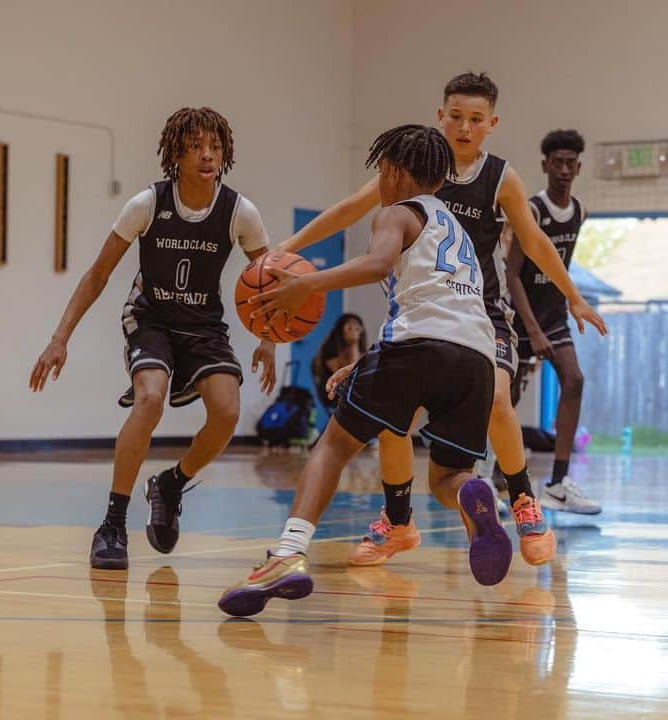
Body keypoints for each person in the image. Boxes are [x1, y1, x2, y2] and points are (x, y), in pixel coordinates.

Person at [277, 72, 607, 569]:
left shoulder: (501, 177)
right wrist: (285, 249)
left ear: (491, 124)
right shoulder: (412, 169)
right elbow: (347, 210)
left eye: (475, 119)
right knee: (394, 424)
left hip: (485, 317)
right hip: (419, 319)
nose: (465, 127)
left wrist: (573, 296)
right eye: (456, 117)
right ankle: (398, 520)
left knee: (498, 398)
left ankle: (523, 500)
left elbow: (535, 243)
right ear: (440, 116)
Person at [218, 124, 510, 617]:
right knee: (447, 478)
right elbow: (441, 311)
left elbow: (378, 267)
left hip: (419, 346)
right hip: (478, 359)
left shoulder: (395, 213)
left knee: (332, 446)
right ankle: (473, 495)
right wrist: (364, 364)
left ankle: (287, 555)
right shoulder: (455, 229)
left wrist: (306, 287)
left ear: (393, 171)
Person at [29, 107, 277, 569]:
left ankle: (171, 484)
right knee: (150, 399)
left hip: (203, 325)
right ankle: (112, 525)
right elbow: (98, 273)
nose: (207, 155)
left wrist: (269, 339)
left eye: (215, 147)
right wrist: (59, 338)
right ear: (175, 154)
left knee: (226, 411)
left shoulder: (240, 211)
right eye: (196, 147)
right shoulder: (147, 204)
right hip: (151, 319)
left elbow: (270, 280)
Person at [505, 129, 601, 515]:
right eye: (557, 162)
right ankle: (495, 474)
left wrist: (569, 302)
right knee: (506, 399)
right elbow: (512, 275)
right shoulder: (532, 210)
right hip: (520, 313)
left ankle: (559, 482)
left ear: (578, 167)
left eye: (570, 163)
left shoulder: (579, 211)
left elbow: (558, 266)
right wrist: (531, 329)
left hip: (554, 313)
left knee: (574, 380)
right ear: (545, 166)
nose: (564, 169)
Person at [312, 313, 366, 413]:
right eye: (350, 327)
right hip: (335, 399)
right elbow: (350, 375)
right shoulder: (330, 351)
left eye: (357, 327)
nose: (354, 330)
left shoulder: (362, 351)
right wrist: (353, 343)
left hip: (356, 400)